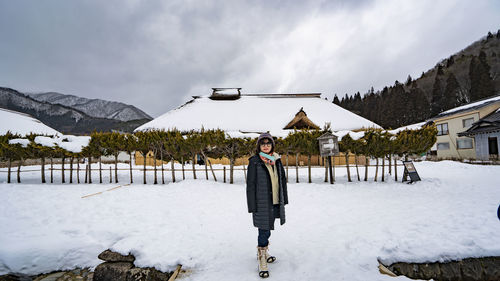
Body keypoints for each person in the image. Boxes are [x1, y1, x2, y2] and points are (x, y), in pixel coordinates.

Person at [246, 133, 288, 278]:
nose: (265, 146)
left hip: (275, 199)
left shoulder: (276, 159)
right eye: (263, 144)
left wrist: (284, 199)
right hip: (261, 201)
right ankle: (262, 256)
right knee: (263, 229)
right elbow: (250, 185)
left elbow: (282, 179)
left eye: (268, 143)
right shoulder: (255, 161)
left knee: (268, 226)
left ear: (272, 146)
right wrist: (252, 205)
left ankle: (263, 250)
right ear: (259, 146)